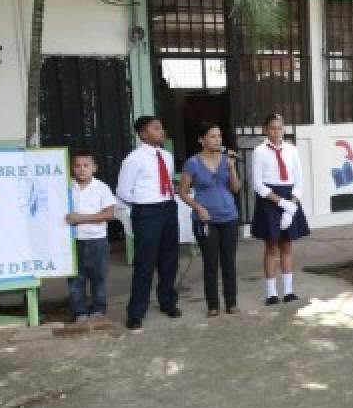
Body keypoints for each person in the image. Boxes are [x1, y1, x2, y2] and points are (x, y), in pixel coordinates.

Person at [117, 115, 181, 332]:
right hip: (147, 212)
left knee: (169, 259)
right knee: (145, 263)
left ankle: (168, 302)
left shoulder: (167, 156)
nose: (161, 131)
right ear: (143, 134)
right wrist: (142, 207)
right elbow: (123, 192)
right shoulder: (133, 159)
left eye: (162, 128)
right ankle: (136, 312)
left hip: (168, 207)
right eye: (156, 128)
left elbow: (168, 181)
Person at [178, 124, 241, 316]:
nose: (218, 140)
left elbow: (236, 188)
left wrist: (231, 169)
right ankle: (213, 305)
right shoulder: (193, 163)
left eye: (219, 136)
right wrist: (198, 207)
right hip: (205, 220)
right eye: (212, 136)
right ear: (201, 139)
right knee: (211, 263)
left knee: (229, 262)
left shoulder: (227, 160)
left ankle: (231, 303)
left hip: (229, 217)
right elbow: (182, 191)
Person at [250, 113, 310, 306]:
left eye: (280, 128)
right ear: (265, 130)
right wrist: (281, 203)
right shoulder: (259, 151)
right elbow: (258, 185)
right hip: (270, 199)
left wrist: (291, 204)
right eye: (272, 128)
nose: (276, 132)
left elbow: (299, 180)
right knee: (271, 247)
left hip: (290, 197)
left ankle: (289, 291)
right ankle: (271, 293)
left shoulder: (291, 150)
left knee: (287, 246)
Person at [65, 150, 115, 323]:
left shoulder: (101, 188)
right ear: (72, 168)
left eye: (86, 165)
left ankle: (98, 309)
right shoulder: (66, 187)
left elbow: (109, 214)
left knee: (98, 278)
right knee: (75, 279)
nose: (81, 169)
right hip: (73, 241)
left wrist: (81, 218)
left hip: (97, 241)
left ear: (95, 168)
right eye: (77, 166)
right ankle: (79, 311)